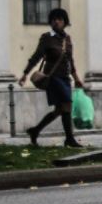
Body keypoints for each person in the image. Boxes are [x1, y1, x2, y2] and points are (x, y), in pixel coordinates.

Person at [20, 8, 84, 147]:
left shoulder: (67, 39)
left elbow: (70, 60)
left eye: (60, 19)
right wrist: (25, 73)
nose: (56, 21)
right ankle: (69, 139)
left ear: (65, 22)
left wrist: (76, 78)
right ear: (50, 22)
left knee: (59, 110)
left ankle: (35, 131)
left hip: (65, 78)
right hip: (53, 78)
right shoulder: (47, 37)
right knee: (66, 104)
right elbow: (36, 56)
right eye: (54, 19)